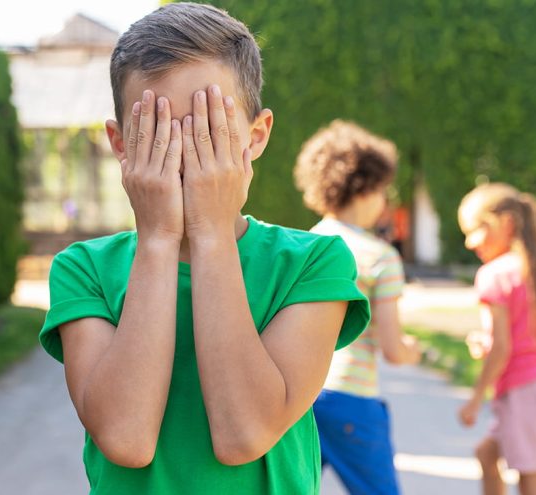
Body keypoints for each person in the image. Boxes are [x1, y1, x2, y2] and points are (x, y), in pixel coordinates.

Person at [38, 3, 371, 494]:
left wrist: (212, 234)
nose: (183, 153)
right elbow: (126, 439)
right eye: (156, 131)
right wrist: (157, 239)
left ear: (255, 137)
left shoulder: (314, 264)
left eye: (206, 128)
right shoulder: (83, 269)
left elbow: (245, 434)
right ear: (121, 142)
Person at [294, 120, 421, 495]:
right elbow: (394, 350)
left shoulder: (302, 246)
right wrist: (412, 350)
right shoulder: (380, 257)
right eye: (383, 191)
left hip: (301, 395)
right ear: (365, 189)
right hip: (353, 398)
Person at [456, 183, 536, 495]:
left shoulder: (494, 274)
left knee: (531, 477)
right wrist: (489, 344)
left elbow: (502, 348)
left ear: (505, 224)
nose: (469, 242)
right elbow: (532, 337)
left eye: (475, 230)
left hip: (524, 390)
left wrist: (475, 398)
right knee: (487, 454)